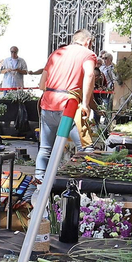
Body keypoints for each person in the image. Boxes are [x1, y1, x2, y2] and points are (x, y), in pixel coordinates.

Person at [35, 28, 98, 175]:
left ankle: (39, 185)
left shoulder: (56, 53)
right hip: (69, 107)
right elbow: (89, 75)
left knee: (45, 150)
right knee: (85, 149)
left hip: (48, 105)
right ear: (87, 42)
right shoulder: (88, 54)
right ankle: (88, 187)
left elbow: (41, 85)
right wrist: (86, 104)